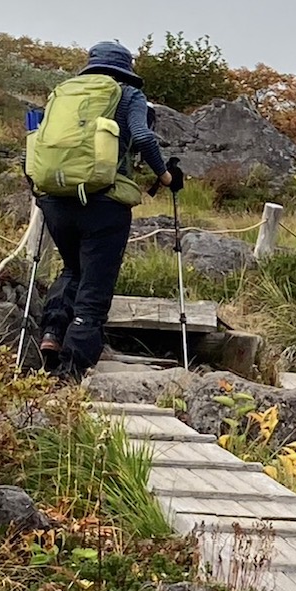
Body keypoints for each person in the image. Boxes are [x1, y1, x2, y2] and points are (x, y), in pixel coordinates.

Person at [26, 41, 178, 382]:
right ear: (127, 69)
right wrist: (165, 176)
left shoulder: (65, 93)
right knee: (96, 285)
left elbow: (35, 141)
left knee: (72, 268)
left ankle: (52, 332)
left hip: (56, 199)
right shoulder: (129, 94)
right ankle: (72, 370)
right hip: (104, 202)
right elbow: (143, 137)